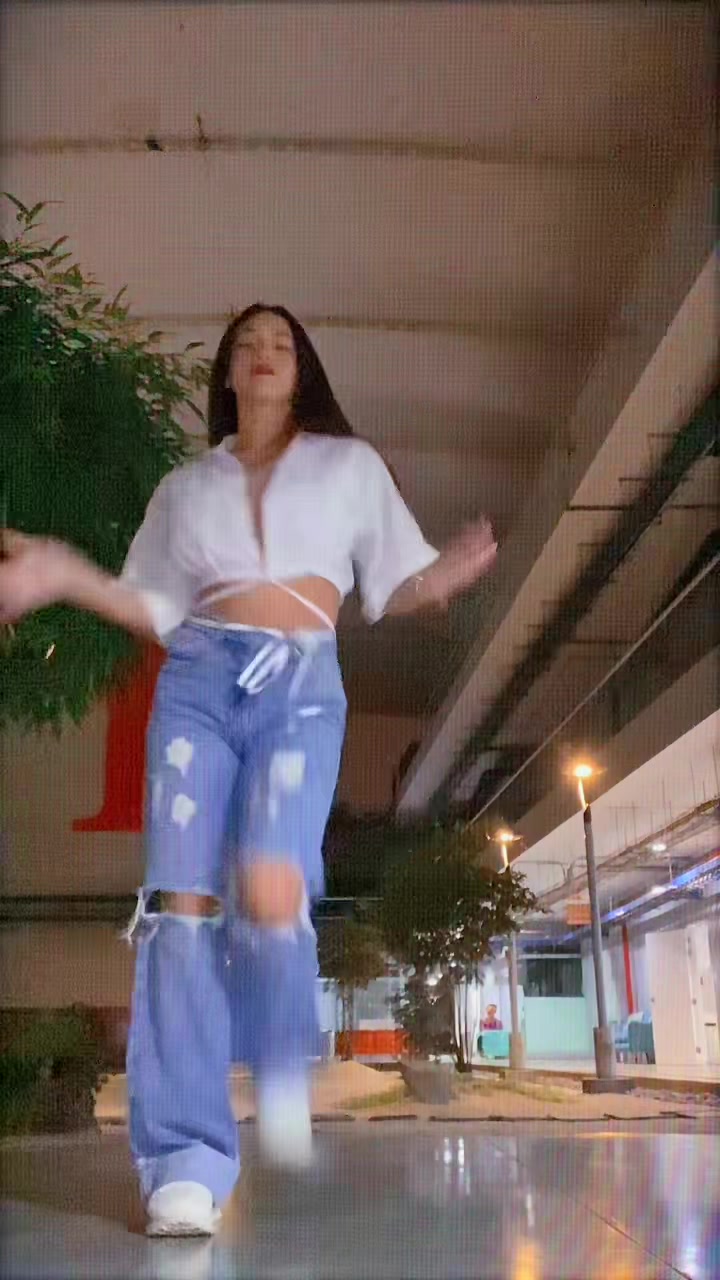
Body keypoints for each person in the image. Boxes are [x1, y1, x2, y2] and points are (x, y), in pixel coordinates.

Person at [0, 303, 498, 1236]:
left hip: (299, 686)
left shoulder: (347, 466)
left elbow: (393, 580)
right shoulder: (186, 487)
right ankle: (184, 1162)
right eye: (247, 344)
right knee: (178, 908)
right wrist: (63, 571)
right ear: (227, 374)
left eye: (281, 344)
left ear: (300, 369)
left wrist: (448, 576)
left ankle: (278, 1058)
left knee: (272, 885)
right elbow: (152, 605)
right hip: (196, 681)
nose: (264, 353)